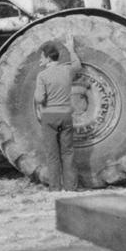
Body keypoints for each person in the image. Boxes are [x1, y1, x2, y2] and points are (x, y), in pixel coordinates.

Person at [34, 35, 81, 191]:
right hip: (66, 116)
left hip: (49, 117)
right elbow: (77, 65)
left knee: (53, 155)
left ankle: (55, 188)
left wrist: (38, 97)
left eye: (42, 57)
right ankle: (71, 188)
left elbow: (40, 98)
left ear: (48, 58)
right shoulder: (67, 70)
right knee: (68, 153)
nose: (40, 60)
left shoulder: (42, 75)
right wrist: (71, 48)